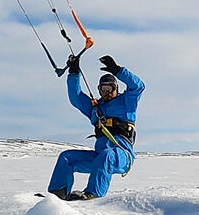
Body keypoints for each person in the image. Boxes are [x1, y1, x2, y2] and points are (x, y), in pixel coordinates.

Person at [48, 54, 143, 201]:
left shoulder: (126, 102)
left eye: (110, 89)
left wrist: (117, 71)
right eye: (103, 89)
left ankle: (93, 195)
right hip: (99, 157)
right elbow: (76, 97)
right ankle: (57, 196)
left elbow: (138, 87)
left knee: (106, 155)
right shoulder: (96, 109)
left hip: (122, 156)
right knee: (66, 157)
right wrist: (74, 73)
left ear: (116, 88)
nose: (106, 93)